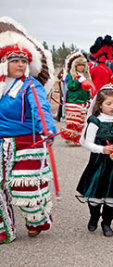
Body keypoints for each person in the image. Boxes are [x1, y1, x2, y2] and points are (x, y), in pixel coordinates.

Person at [0, 17, 56, 243]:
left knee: (26, 189)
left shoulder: (31, 85)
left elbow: (40, 108)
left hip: (28, 141)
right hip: (2, 141)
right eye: (15, 60)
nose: (21, 64)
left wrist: (47, 128)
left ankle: (38, 219)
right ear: (4, 62)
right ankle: (3, 229)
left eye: (24, 61)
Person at [76, 85, 113, 237]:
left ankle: (107, 222)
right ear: (100, 104)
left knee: (112, 195)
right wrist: (102, 149)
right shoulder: (95, 121)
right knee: (95, 194)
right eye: (108, 104)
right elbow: (86, 142)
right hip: (98, 163)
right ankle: (94, 215)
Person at [60, 52, 92, 145]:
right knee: (73, 121)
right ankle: (70, 138)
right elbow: (70, 86)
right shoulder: (71, 75)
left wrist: (88, 98)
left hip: (82, 102)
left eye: (83, 65)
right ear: (75, 66)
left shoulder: (85, 76)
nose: (81, 67)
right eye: (79, 65)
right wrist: (78, 81)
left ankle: (77, 139)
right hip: (73, 101)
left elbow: (86, 89)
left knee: (81, 121)